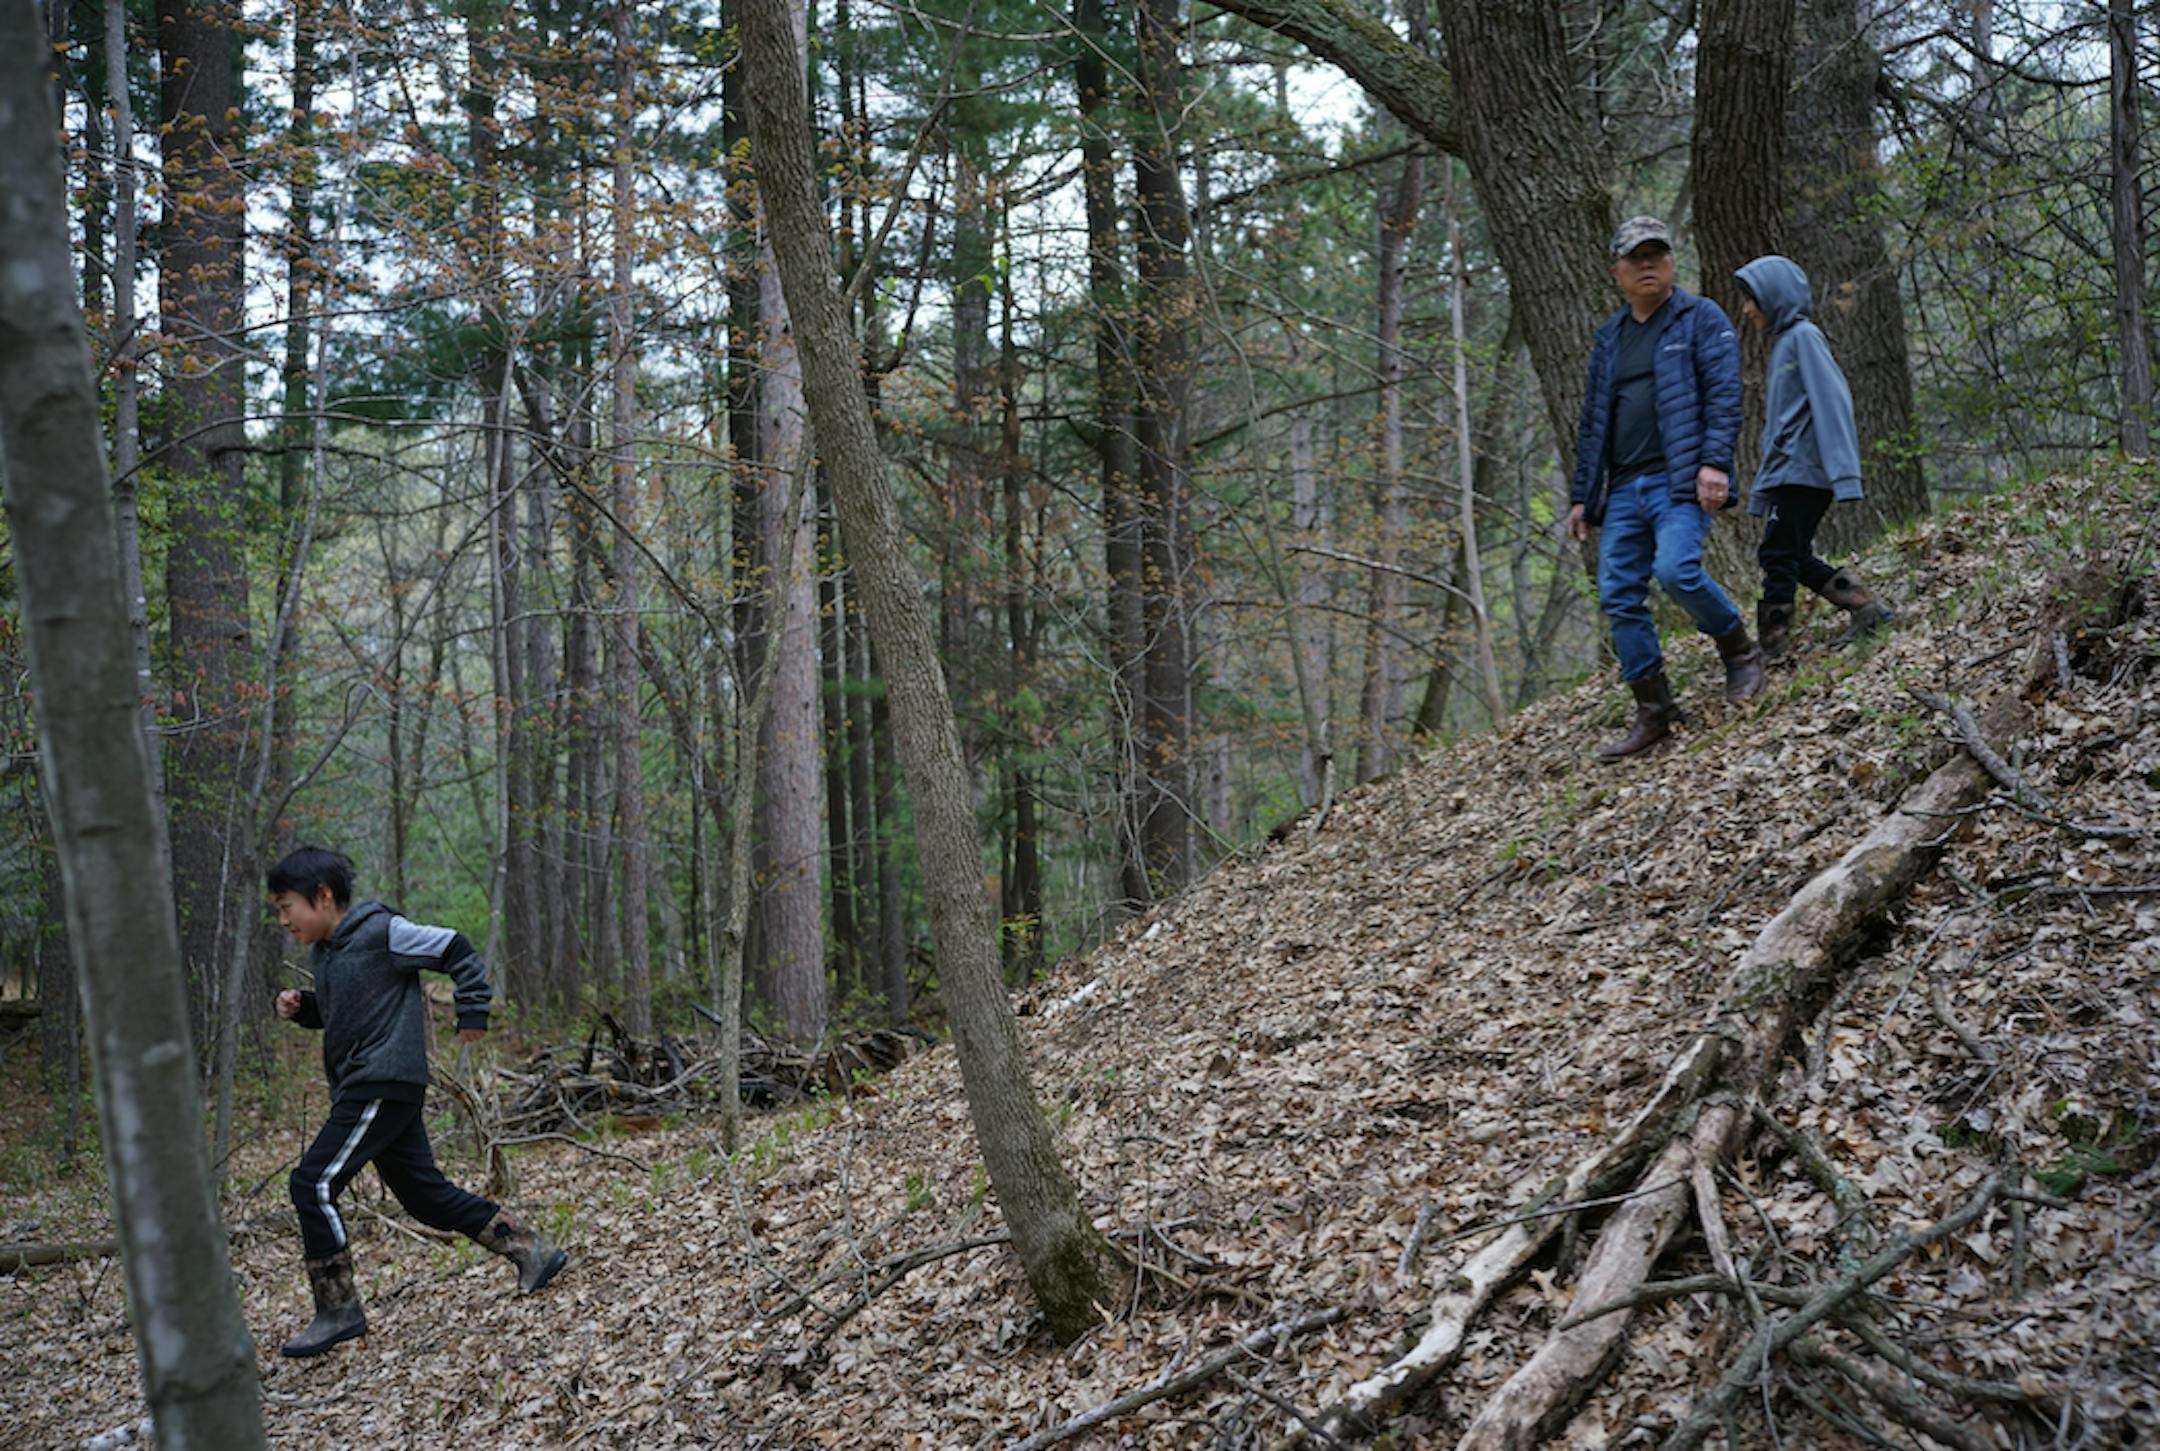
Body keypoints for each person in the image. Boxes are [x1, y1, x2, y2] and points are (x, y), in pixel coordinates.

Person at [268, 845, 565, 1357]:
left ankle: (339, 1309)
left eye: (285, 906)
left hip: (379, 1082)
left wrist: (472, 1010)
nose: (282, 919)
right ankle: (531, 1249)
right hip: (377, 1084)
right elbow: (353, 1013)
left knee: (312, 1183)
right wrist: (306, 1009)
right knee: (424, 1197)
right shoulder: (327, 954)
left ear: (322, 897)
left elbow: (457, 948)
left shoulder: (384, 932)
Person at [1568, 216, 1765, 764]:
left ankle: (1741, 653)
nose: (1648, 265)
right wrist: (1584, 497)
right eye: (1636, 258)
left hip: (1679, 479)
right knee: (1618, 596)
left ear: (1672, 262)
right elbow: (1592, 424)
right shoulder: (1609, 339)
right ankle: (1654, 710)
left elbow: (1725, 395)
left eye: (1657, 254)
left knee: (1676, 570)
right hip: (1624, 487)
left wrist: (1713, 464)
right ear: (1618, 271)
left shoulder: (1701, 318)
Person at [1734, 255, 1896, 657]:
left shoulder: (1804, 337)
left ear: (1774, 298)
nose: (1746, 309)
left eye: (1752, 299)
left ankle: (1772, 649)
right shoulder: (1785, 343)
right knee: (1790, 553)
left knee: (1777, 554)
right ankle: (1864, 607)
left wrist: (1844, 475)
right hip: (1790, 471)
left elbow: (1833, 400)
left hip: (1804, 472)